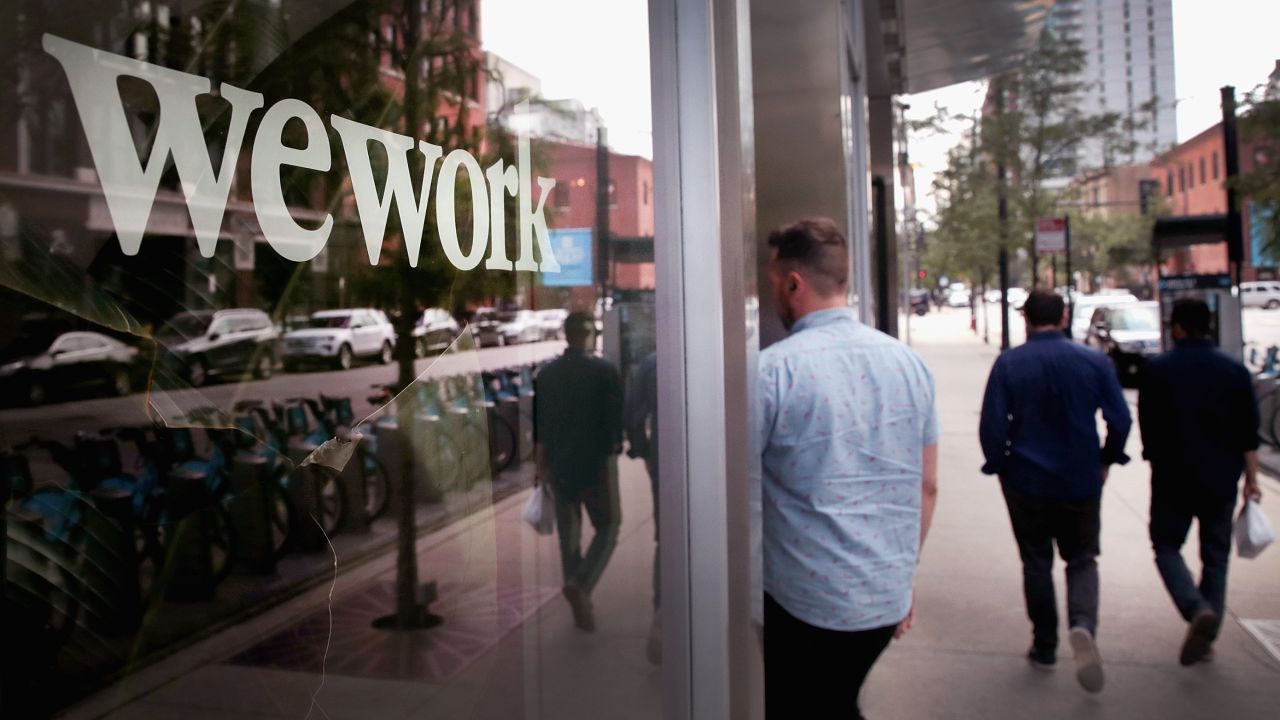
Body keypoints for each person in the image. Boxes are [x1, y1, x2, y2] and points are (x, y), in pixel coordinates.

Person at [758, 218, 939, 719]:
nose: (773, 292)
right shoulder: (909, 365)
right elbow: (926, 487)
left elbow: (735, 492)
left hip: (804, 604)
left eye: (774, 282)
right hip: (882, 600)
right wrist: (902, 579)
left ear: (793, 283)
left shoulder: (773, 371)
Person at [979, 289, 1131, 694]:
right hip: (1080, 478)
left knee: (1035, 561)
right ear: (1064, 318)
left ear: (1025, 318)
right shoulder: (1094, 362)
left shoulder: (1009, 364)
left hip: (1026, 479)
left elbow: (992, 425)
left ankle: (1044, 645)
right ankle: (1082, 625)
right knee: (1082, 558)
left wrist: (999, 464)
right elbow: (1121, 418)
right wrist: (1107, 459)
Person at [1138, 298, 1263, 665]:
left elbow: (1148, 424)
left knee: (1165, 546)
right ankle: (1206, 635)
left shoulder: (1158, 369)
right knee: (1216, 557)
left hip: (1172, 476)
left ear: (1177, 328)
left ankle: (1195, 609)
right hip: (1221, 478)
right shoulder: (1235, 371)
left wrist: (1153, 457)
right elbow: (1249, 434)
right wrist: (1251, 480)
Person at [534, 311, 623, 633]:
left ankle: (578, 597)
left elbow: (540, 427)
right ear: (589, 335)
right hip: (597, 467)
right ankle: (582, 585)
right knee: (609, 526)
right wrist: (615, 447)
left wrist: (541, 466)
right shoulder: (604, 371)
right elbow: (615, 424)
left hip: (560, 466)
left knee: (568, 538)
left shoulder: (546, 375)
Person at [624, 349, 661, 664]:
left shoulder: (651, 363)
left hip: (665, 460)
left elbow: (634, 416)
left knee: (668, 537)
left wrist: (644, 451)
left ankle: (663, 616)